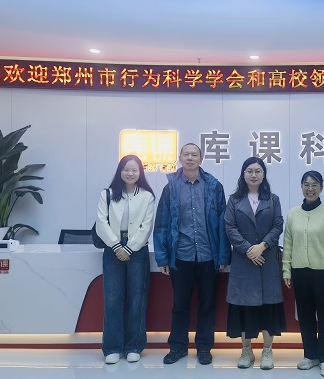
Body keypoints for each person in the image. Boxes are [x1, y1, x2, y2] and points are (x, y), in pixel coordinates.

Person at [153, 143, 231, 366]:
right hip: (181, 256)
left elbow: (223, 223)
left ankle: (204, 347)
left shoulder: (214, 186)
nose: (190, 158)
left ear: (201, 159)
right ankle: (178, 347)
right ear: (180, 158)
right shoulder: (171, 188)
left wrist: (223, 255)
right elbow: (162, 224)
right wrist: (162, 256)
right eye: (186, 154)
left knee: (207, 304)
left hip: (208, 256)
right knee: (180, 305)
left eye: (194, 154)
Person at [225, 157, 286, 370]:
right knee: (244, 308)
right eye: (249, 171)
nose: (253, 175)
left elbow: (278, 225)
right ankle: (246, 350)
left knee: (268, 307)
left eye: (258, 171)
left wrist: (263, 246)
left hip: (267, 260)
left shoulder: (273, 199)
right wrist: (248, 249)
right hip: (243, 261)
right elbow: (229, 227)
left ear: (263, 174)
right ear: (243, 174)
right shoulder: (234, 200)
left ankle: (267, 351)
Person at [95, 154, 155, 364]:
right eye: (126, 169)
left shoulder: (147, 196)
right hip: (112, 248)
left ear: (140, 172)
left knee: (137, 299)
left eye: (134, 170)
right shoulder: (107, 194)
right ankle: (112, 347)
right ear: (120, 171)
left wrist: (129, 247)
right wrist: (116, 246)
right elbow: (101, 223)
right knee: (112, 299)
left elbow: (146, 227)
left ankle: (134, 346)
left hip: (137, 249)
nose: (130, 173)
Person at [282, 170, 324, 378]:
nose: (310, 188)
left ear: (321, 188)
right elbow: (288, 244)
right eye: (306, 184)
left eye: (314, 184)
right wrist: (286, 269)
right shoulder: (293, 214)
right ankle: (310, 355)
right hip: (300, 272)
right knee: (306, 316)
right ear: (301, 187)